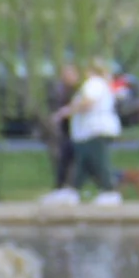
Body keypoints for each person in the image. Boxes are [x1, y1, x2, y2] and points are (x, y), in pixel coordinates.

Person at [57, 61, 123, 203]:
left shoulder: (94, 83)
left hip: (95, 129)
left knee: (98, 160)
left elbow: (88, 102)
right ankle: (73, 190)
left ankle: (109, 191)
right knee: (84, 161)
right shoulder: (97, 84)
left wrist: (70, 110)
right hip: (87, 132)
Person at [39, 62, 80, 203]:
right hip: (66, 132)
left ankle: (70, 190)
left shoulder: (78, 91)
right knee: (63, 160)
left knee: (82, 162)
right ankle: (62, 189)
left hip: (77, 131)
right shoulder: (60, 90)